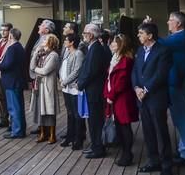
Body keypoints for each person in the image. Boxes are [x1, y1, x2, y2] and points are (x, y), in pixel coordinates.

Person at [132, 22, 173, 175]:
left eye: (141, 33)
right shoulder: (140, 51)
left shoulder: (163, 51)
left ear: (149, 35)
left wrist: (146, 89)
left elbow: (161, 75)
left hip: (156, 97)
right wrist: (136, 88)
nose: (138, 35)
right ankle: (153, 161)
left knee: (161, 131)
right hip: (142, 98)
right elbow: (135, 71)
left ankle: (166, 165)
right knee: (148, 131)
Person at [159, 11, 185, 166]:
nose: (168, 22)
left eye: (170, 20)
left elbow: (158, 43)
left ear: (178, 23)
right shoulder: (182, 37)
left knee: (182, 119)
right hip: (178, 83)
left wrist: (150, 27)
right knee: (180, 118)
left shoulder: (181, 37)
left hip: (178, 84)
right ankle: (184, 150)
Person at [103, 33, 138, 166]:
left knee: (124, 126)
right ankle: (125, 152)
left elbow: (121, 82)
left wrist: (111, 96)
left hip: (122, 98)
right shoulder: (115, 58)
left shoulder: (125, 60)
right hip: (115, 97)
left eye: (114, 43)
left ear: (121, 45)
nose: (111, 44)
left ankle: (127, 154)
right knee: (119, 125)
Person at [77, 24, 110, 158]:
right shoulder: (93, 47)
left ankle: (98, 148)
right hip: (92, 91)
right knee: (92, 121)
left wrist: (80, 84)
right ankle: (95, 145)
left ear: (90, 35)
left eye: (84, 33)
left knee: (96, 121)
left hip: (95, 92)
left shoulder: (96, 49)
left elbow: (92, 71)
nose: (83, 35)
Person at [0, 27, 26, 139]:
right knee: (19, 107)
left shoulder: (12, 48)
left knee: (14, 108)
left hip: (12, 82)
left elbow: (7, 65)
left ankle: (17, 131)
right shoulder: (20, 47)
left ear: (11, 36)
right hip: (17, 81)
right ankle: (20, 130)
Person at [30, 34, 60, 144]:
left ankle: (52, 134)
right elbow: (31, 67)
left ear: (50, 42)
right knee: (40, 110)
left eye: (45, 39)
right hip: (39, 85)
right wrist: (35, 54)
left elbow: (45, 71)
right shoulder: (41, 54)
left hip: (48, 86)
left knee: (49, 110)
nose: (43, 40)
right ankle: (43, 133)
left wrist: (36, 69)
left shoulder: (53, 55)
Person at [59, 33, 85, 149]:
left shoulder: (78, 53)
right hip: (66, 89)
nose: (64, 42)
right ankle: (69, 137)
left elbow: (77, 71)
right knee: (70, 114)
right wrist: (61, 79)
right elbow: (62, 68)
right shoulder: (67, 53)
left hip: (73, 88)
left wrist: (65, 81)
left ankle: (78, 140)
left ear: (72, 42)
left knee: (77, 114)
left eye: (66, 40)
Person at [29, 19, 54, 134]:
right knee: (39, 103)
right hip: (37, 76)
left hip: (42, 77)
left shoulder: (48, 39)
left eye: (42, 25)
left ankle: (46, 129)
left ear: (47, 30)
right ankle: (41, 126)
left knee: (45, 103)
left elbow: (43, 59)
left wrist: (35, 69)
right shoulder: (41, 38)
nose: (39, 26)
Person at [0, 22, 12, 128]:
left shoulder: (11, 43)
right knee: (2, 98)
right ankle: (3, 119)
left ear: (10, 31)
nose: (3, 32)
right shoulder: (0, 41)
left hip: (6, 74)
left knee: (9, 98)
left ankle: (12, 122)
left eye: (5, 30)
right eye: (1, 30)